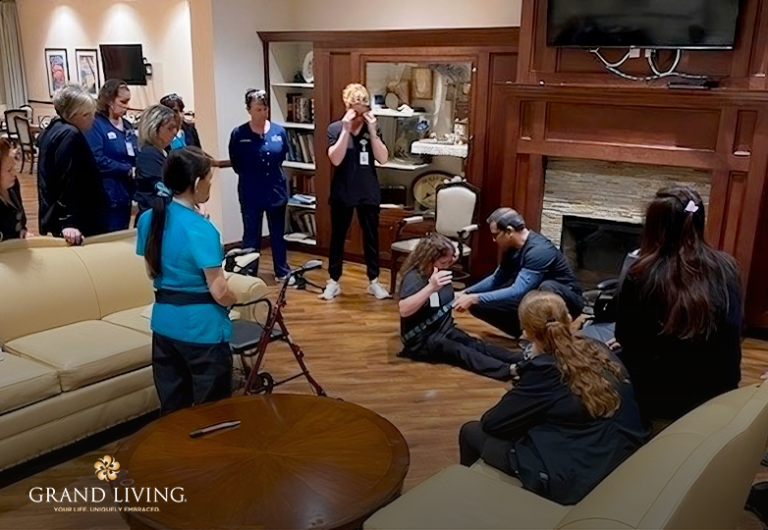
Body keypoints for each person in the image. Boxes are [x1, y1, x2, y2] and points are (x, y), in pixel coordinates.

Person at [459, 290, 646, 505]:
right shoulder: (598, 347)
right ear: (568, 318)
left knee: (471, 432)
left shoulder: (545, 371)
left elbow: (493, 423)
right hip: (623, 450)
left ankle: (470, 503)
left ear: (526, 332)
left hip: (579, 476)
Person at [615, 186, 743, 425]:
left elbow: (625, 336)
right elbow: (731, 334)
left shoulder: (641, 274)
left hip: (660, 400)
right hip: (718, 393)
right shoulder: (728, 267)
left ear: (654, 227)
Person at [136, 147, 237, 415]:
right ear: (197, 182)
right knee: (211, 414)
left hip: (164, 325)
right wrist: (236, 298)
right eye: (209, 180)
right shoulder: (201, 228)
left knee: (173, 412)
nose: (210, 186)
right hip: (202, 330)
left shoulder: (148, 218)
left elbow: (151, 272)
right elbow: (219, 291)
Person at [399, 233, 522, 380]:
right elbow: (404, 310)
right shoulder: (415, 278)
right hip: (422, 340)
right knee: (462, 351)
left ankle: (519, 358)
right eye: (443, 262)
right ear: (429, 259)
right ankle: (508, 370)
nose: (448, 265)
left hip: (444, 329)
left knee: (475, 344)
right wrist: (431, 287)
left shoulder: (439, 268)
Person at [454, 208, 583, 338]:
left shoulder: (538, 250)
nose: (493, 240)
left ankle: (547, 336)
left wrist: (475, 298)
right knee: (477, 305)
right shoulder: (512, 248)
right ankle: (525, 333)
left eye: (495, 235)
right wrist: (466, 293)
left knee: (546, 287)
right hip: (533, 296)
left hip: (567, 300)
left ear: (509, 231)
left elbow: (518, 290)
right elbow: (496, 279)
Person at [321, 83, 390, 300]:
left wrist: (373, 132)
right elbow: (335, 159)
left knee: (371, 238)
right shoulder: (335, 129)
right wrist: (345, 129)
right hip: (343, 191)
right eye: (356, 108)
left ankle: (374, 281)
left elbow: (383, 158)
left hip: (367, 190)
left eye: (363, 108)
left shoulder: (372, 128)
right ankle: (333, 281)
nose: (360, 114)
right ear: (348, 106)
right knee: (338, 237)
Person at [229, 88, 292, 281]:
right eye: (258, 109)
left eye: (265, 109)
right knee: (251, 234)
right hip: (251, 191)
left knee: (278, 234)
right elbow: (236, 163)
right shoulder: (239, 134)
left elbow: (282, 155)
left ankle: (282, 271)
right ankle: (249, 272)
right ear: (248, 110)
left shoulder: (279, 131)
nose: (263, 113)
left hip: (275, 190)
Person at [37, 84, 108, 245]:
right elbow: (67, 179)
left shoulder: (53, 128)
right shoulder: (69, 134)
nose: (92, 119)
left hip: (57, 213)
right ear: (71, 115)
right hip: (78, 219)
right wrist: (69, 221)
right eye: (86, 114)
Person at [86, 79, 138, 232]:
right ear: (109, 101)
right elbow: (96, 159)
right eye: (123, 102)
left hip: (125, 193)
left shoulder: (127, 126)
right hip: (107, 194)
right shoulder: (96, 125)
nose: (127, 106)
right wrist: (126, 169)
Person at [134, 104, 181, 221]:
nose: (175, 132)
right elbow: (164, 187)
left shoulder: (165, 152)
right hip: (154, 216)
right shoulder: (148, 154)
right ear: (155, 128)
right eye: (170, 128)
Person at [0, 138, 29, 241]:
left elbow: (20, 221)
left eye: (14, 167)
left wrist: (23, 231)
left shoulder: (13, 185)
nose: (14, 173)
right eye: (9, 170)